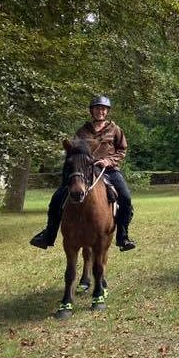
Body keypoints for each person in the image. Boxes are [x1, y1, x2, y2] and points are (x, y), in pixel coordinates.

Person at [30, 96, 136, 251]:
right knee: (57, 198)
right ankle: (48, 235)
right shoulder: (82, 131)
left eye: (103, 109)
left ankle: (123, 236)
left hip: (108, 170)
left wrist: (108, 161)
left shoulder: (115, 130)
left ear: (107, 111)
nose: (100, 111)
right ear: (91, 111)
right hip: (84, 171)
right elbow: (74, 152)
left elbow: (122, 150)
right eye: (97, 108)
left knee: (125, 198)